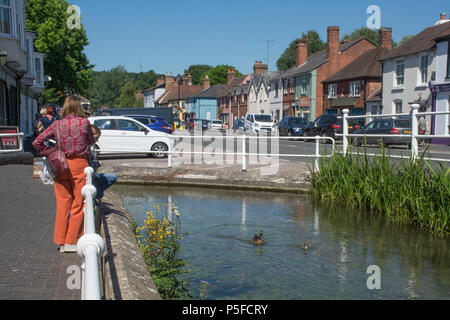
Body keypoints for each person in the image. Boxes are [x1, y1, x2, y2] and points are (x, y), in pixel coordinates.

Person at [33, 96, 95, 253]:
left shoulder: (57, 124)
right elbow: (91, 141)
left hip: (60, 164)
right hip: (79, 164)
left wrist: (51, 152)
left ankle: (61, 240)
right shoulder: (84, 123)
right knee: (78, 202)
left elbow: (37, 142)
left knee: (63, 203)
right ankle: (72, 241)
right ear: (78, 108)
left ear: (64, 108)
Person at [89, 125, 117, 200]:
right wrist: (98, 164)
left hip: (92, 174)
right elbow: (89, 165)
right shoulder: (86, 148)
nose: (97, 140)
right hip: (89, 175)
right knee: (112, 178)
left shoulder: (91, 147)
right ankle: (97, 194)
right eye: (96, 138)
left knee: (112, 177)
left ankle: (97, 193)